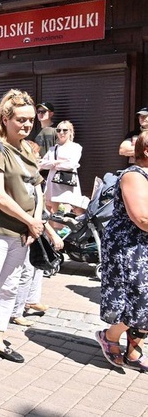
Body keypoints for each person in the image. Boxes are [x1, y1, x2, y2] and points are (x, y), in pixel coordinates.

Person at [0, 89, 60, 363]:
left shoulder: (27, 147)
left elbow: (36, 188)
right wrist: (30, 221)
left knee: (10, 287)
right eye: (21, 119)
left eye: (31, 120)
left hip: (22, 231)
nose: (28, 124)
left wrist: (35, 222)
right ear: (5, 119)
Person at [96, 129, 148, 372]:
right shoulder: (134, 175)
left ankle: (134, 349)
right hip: (129, 248)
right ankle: (110, 336)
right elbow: (141, 218)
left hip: (142, 246)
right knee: (136, 300)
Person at [10, 140, 64, 327]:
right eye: (36, 154)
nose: (40, 158)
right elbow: (35, 213)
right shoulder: (25, 179)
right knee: (26, 271)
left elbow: (41, 212)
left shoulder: (34, 177)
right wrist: (52, 233)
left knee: (36, 267)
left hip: (35, 228)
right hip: (25, 230)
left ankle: (30, 300)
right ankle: (16, 311)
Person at [38, 120, 82, 214]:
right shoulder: (53, 149)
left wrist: (53, 164)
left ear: (70, 131)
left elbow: (71, 164)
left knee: (67, 211)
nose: (61, 133)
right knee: (53, 212)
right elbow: (42, 164)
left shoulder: (76, 147)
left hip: (68, 183)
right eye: (59, 130)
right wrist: (57, 162)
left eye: (65, 130)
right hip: (53, 183)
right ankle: (54, 228)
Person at [33, 102, 56, 180]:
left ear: (51, 114)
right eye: (38, 112)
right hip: (38, 173)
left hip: (52, 172)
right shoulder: (34, 132)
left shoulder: (57, 130)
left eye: (43, 111)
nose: (40, 114)